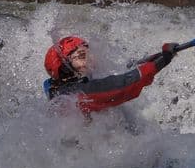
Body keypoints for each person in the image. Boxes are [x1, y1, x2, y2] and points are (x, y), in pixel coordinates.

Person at [43, 36, 178, 114]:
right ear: (65, 69)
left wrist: (148, 61)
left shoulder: (59, 89)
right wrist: (162, 60)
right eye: (82, 56)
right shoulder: (78, 95)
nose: (91, 59)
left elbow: (114, 75)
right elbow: (124, 85)